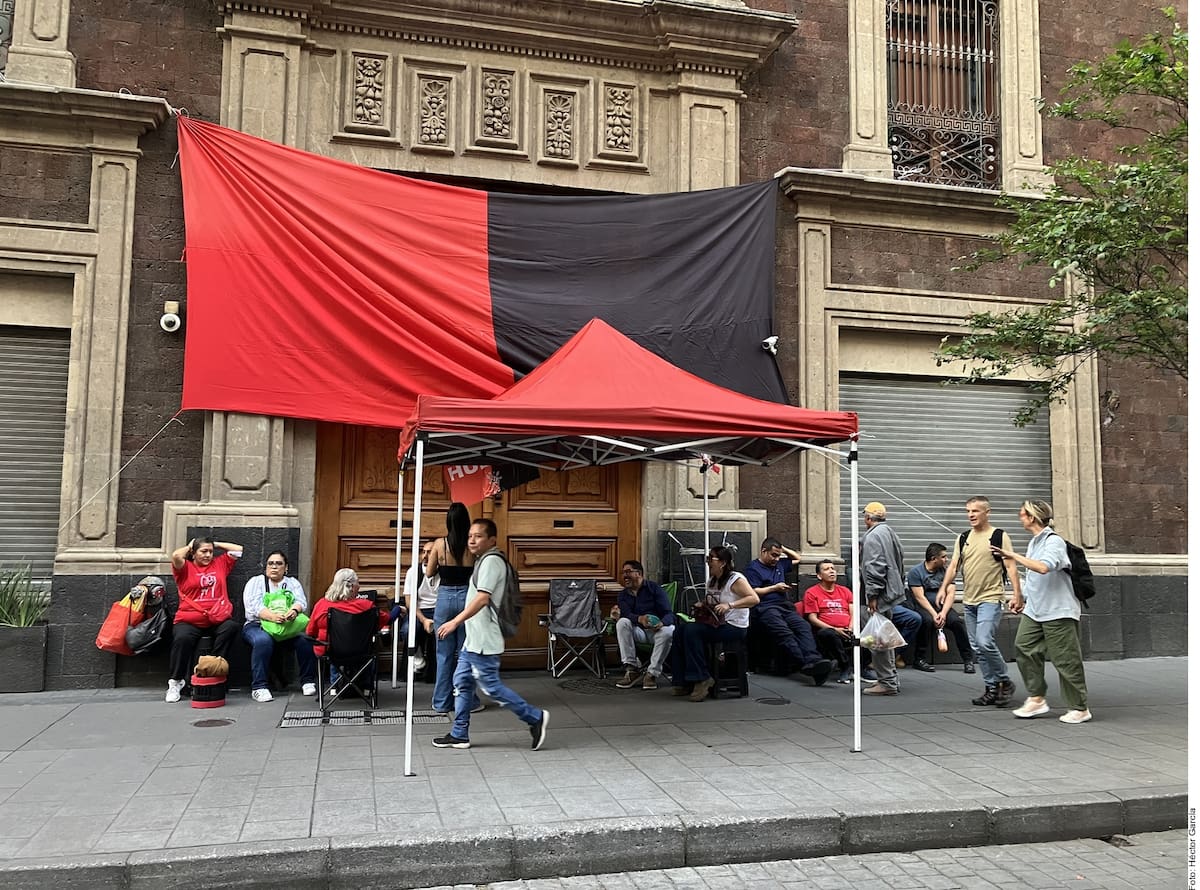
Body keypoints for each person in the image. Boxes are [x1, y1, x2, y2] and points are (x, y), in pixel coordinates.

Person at [432, 518, 549, 750]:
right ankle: (459, 734)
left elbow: (483, 598)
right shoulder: (482, 561)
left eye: (478, 536)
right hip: (473, 640)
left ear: (492, 540)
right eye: (470, 536)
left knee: (492, 687)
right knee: (462, 682)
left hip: (484, 640)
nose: (472, 540)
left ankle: (534, 717)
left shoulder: (492, 562)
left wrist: (454, 622)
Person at [991, 500, 1092, 724]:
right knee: (1024, 647)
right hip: (1036, 610)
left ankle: (1079, 707)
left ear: (1032, 517)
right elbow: (1034, 578)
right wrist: (1021, 597)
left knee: (1065, 660)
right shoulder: (1034, 542)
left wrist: (1012, 555)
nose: (1020, 518)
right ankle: (1036, 698)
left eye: (1022, 514)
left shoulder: (1053, 542)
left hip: (1058, 611)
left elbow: (1044, 567)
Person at [938, 496, 1022, 707]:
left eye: (975, 511)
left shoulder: (999, 536)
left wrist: (1017, 594)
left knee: (984, 641)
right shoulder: (963, 537)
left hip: (991, 598)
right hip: (970, 600)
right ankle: (992, 688)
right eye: (968, 511)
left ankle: (1004, 680)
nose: (970, 515)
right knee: (978, 647)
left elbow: (1011, 566)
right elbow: (954, 565)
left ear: (987, 512)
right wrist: (943, 588)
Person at [669, 545, 760, 702]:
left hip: (733, 626)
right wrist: (703, 604)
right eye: (708, 558)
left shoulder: (735, 579)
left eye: (711, 559)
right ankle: (682, 681)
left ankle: (702, 678)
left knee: (692, 631)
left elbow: (754, 599)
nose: (708, 562)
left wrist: (729, 605)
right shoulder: (712, 581)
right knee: (679, 631)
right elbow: (713, 602)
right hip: (716, 624)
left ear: (723, 563)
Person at [743, 538, 833, 685]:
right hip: (765, 608)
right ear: (763, 551)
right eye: (773, 555)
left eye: (779, 555)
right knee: (784, 632)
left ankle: (814, 660)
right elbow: (753, 591)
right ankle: (807, 664)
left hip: (784, 606)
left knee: (803, 626)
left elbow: (798, 558)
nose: (776, 559)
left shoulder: (779, 563)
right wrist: (774, 588)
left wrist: (782, 548)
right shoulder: (753, 568)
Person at [166, 536, 243, 703]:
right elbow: (176, 556)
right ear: (193, 553)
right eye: (203, 551)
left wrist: (215, 543)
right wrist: (190, 546)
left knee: (231, 627)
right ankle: (176, 681)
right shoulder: (185, 568)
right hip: (189, 619)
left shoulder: (220, 564)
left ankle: (211, 668)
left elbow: (238, 549)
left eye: (210, 552)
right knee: (182, 638)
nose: (208, 555)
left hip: (216, 618)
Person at [241, 550, 317, 702]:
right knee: (263, 641)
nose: (274, 567)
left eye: (278, 563)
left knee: (305, 641)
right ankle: (259, 687)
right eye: (271, 563)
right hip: (257, 625)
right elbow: (252, 607)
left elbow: (301, 602)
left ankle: (308, 681)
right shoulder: (256, 582)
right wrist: (272, 617)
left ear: (286, 567)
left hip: (286, 627)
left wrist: (294, 611)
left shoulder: (292, 583)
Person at [426, 503, 481, 715]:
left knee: (444, 654)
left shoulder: (440, 544)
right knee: (466, 652)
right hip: (467, 598)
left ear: (448, 521)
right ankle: (469, 701)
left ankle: (441, 702)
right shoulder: (472, 544)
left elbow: (429, 573)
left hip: (445, 599)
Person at [800, 559, 875, 684]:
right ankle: (845, 667)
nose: (832, 571)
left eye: (833, 569)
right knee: (828, 633)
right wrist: (835, 629)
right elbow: (812, 618)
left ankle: (861, 668)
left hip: (848, 629)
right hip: (828, 631)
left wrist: (851, 627)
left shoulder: (845, 591)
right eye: (827, 569)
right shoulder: (811, 593)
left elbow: (853, 612)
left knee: (871, 636)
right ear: (819, 576)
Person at [906, 543, 976, 673]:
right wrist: (934, 614)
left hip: (942, 608)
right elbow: (920, 597)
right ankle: (919, 659)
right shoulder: (916, 572)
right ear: (934, 559)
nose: (946, 560)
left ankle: (968, 660)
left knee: (957, 622)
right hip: (924, 607)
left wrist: (943, 613)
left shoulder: (946, 572)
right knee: (926, 621)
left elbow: (951, 594)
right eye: (943, 557)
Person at [859, 502, 906, 696]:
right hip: (889, 593)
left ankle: (886, 683)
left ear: (868, 518)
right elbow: (900, 559)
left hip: (878, 596)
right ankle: (891, 679)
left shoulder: (873, 536)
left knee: (878, 640)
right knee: (884, 637)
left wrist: (872, 595)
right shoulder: (889, 532)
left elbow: (874, 566)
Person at [308, 568, 381, 691]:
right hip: (361, 651)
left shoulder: (321, 605)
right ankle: (366, 688)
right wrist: (397, 609)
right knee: (367, 651)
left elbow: (310, 632)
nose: (359, 586)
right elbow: (384, 620)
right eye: (358, 582)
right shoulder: (366, 606)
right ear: (351, 586)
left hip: (329, 651)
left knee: (334, 649)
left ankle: (334, 687)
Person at [612, 559, 676, 690]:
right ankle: (631, 669)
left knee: (669, 631)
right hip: (638, 631)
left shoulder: (655, 589)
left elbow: (669, 614)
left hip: (656, 632)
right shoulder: (623, 595)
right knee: (622, 622)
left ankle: (652, 674)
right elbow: (626, 614)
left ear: (639, 573)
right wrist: (639, 619)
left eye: (628, 572)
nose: (625, 576)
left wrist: (661, 623)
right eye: (623, 573)